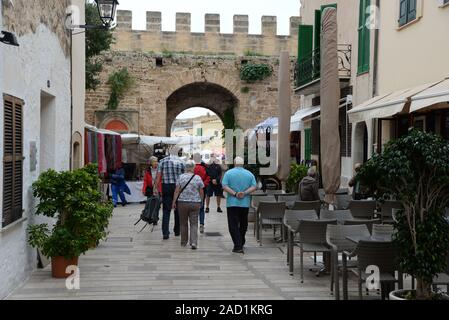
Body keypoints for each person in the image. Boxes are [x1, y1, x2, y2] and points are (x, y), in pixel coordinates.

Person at [222, 156, 257, 254]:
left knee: (233, 224)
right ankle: (241, 241)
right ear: (243, 164)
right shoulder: (249, 174)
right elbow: (254, 186)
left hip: (232, 203)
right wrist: (244, 193)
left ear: (234, 163)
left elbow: (224, 186)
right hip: (245, 203)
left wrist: (235, 194)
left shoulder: (229, 173)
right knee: (243, 223)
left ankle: (238, 245)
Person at [172, 160, 204, 250]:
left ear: (185, 167)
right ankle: (193, 242)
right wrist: (201, 201)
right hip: (195, 203)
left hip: (182, 203)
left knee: (183, 223)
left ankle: (183, 242)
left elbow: (177, 190)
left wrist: (174, 202)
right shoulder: (197, 178)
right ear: (193, 167)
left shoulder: (181, 177)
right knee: (194, 223)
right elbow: (201, 191)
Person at [156, 149, 186, 240]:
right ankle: (177, 230)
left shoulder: (162, 161)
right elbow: (184, 177)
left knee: (166, 210)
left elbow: (158, 178)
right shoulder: (182, 162)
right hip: (178, 187)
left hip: (166, 187)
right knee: (178, 210)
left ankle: (165, 233)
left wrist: (157, 190)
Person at [142, 156, 162, 225]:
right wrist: (144, 189)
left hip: (158, 189)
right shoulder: (148, 171)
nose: (156, 163)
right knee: (150, 204)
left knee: (157, 205)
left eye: (157, 161)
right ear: (151, 163)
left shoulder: (160, 170)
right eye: (154, 161)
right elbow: (145, 181)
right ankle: (149, 217)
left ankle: (155, 219)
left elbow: (161, 180)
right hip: (150, 189)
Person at [193, 153, 210, 234]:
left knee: (193, 207)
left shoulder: (192, 167)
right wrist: (203, 184)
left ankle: (194, 225)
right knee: (201, 207)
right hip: (202, 188)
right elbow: (208, 177)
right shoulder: (205, 166)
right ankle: (202, 224)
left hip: (193, 189)